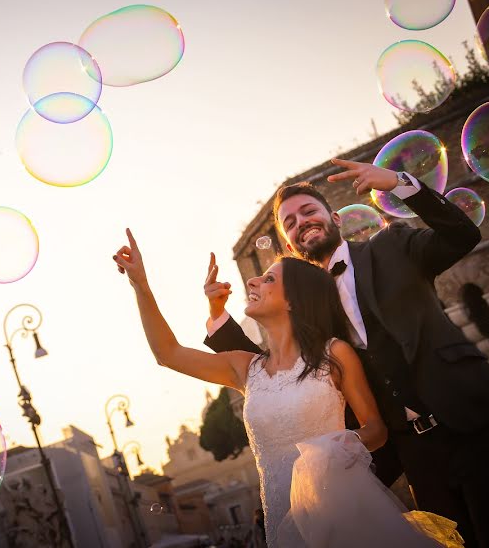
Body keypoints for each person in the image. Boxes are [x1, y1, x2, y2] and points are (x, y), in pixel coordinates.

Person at [202, 158, 489, 548]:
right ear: (288, 245)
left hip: (469, 419)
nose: (301, 223)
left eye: (308, 212)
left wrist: (399, 183)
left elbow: (462, 235)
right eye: (290, 223)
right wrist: (218, 317)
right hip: (410, 449)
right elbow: (271, 369)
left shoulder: (393, 245)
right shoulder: (305, 308)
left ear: (334, 217)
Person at [113, 229, 458, 547]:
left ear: (293, 299)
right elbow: (168, 354)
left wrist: (334, 447)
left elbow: (376, 430)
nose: (252, 281)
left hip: (345, 514)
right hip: (283, 525)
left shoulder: (334, 353)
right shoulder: (244, 367)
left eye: (268, 279)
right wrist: (141, 286)